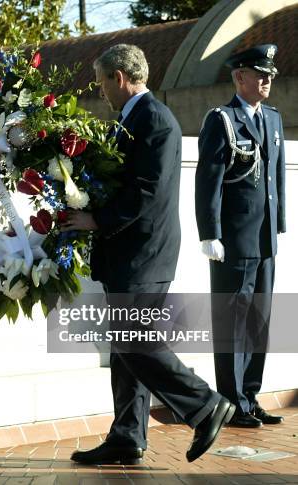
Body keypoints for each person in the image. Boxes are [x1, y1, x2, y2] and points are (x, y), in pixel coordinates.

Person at [61, 44, 234, 465]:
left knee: (134, 340)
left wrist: (96, 220)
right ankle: (127, 436)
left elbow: (146, 191)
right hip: (130, 252)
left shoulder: (154, 120)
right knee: (125, 350)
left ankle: (204, 404)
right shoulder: (130, 118)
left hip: (144, 253)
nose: (100, 89)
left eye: (102, 80)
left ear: (119, 77)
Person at [195, 45, 285, 428]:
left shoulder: (273, 119)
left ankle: (250, 396)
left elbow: (275, 178)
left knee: (259, 323)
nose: (266, 80)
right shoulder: (223, 120)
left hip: (264, 241)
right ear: (239, 77)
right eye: (259, 74)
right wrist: (209, 234)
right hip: (232, 240)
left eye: (270, 75)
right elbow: (208, 181)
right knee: (232, 323)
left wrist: (278, 223)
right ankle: (231, 405)